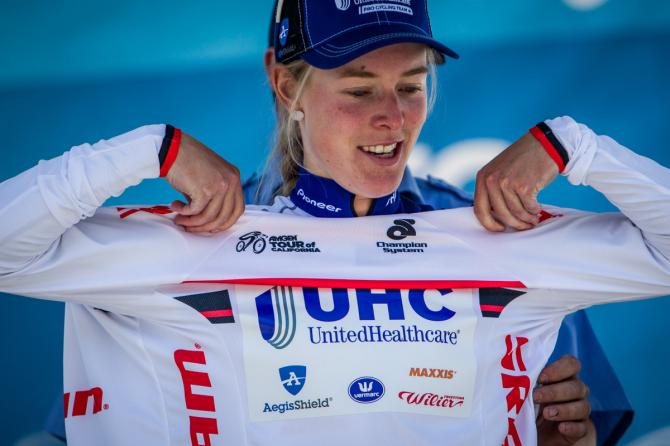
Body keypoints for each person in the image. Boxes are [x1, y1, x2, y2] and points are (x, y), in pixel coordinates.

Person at [1, 1, 668, 445]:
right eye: (358, 88)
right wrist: (151, 148)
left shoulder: (498, 237)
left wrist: (572, 146)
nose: (392, 117)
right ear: (285, 84)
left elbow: (572, 424)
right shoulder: (192, 240)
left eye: (412, 85)